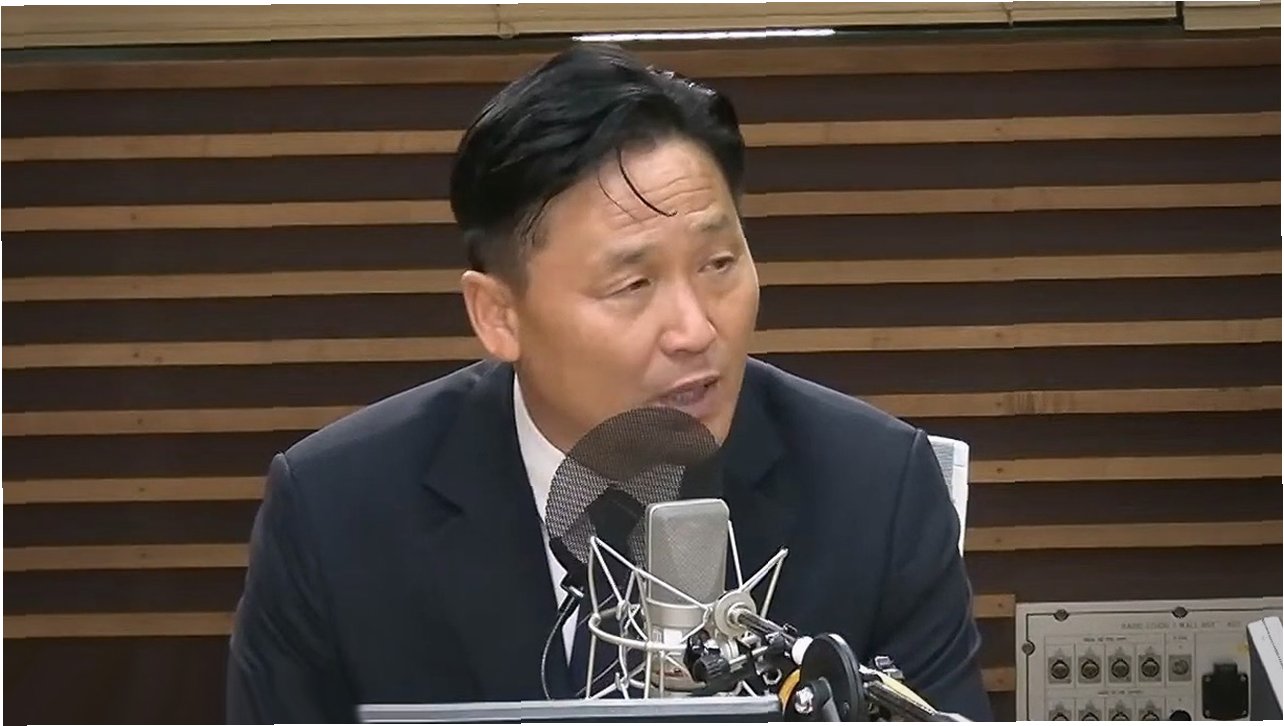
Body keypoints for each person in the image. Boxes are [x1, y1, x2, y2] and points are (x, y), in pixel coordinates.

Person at [226, 43, 991, 723]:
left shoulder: (875, 491)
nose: (694, 329)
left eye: (718, 264)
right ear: (498, 316)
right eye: (632, 284)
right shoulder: (336, 514)